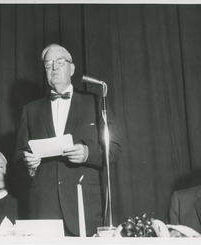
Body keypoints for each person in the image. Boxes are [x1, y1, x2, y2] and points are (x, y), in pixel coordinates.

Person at [14, 43, 122, 236]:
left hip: (85, 208)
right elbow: (18, 158)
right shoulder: (30, 110)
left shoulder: (96, 102)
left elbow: (114, 148)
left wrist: (88, 153)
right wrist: (28, 165)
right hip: (44, 210)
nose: (54, 67)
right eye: (48, 64)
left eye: (60, 62)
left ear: (72, 68)